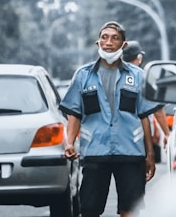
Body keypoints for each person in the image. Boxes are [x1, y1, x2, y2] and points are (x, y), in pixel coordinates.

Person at [59, 21, 160, 217]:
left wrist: (150, 154)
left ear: (123, 45)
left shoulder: (138, 76)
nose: (109, 42)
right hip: (95, 152)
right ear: (98, 43)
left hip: (130, 152)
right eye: (104, 37)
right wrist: (69, 143)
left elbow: (145, 117)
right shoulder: (83, 76)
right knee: (89, 209)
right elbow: (74, 114)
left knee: (130, 209)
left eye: (115, 38)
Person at [122, 41, 170, 161]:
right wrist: (167, 134)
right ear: (139, 57)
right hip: (137, 138)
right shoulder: (144, 78)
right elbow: (158, 110)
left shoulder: (112, 75)